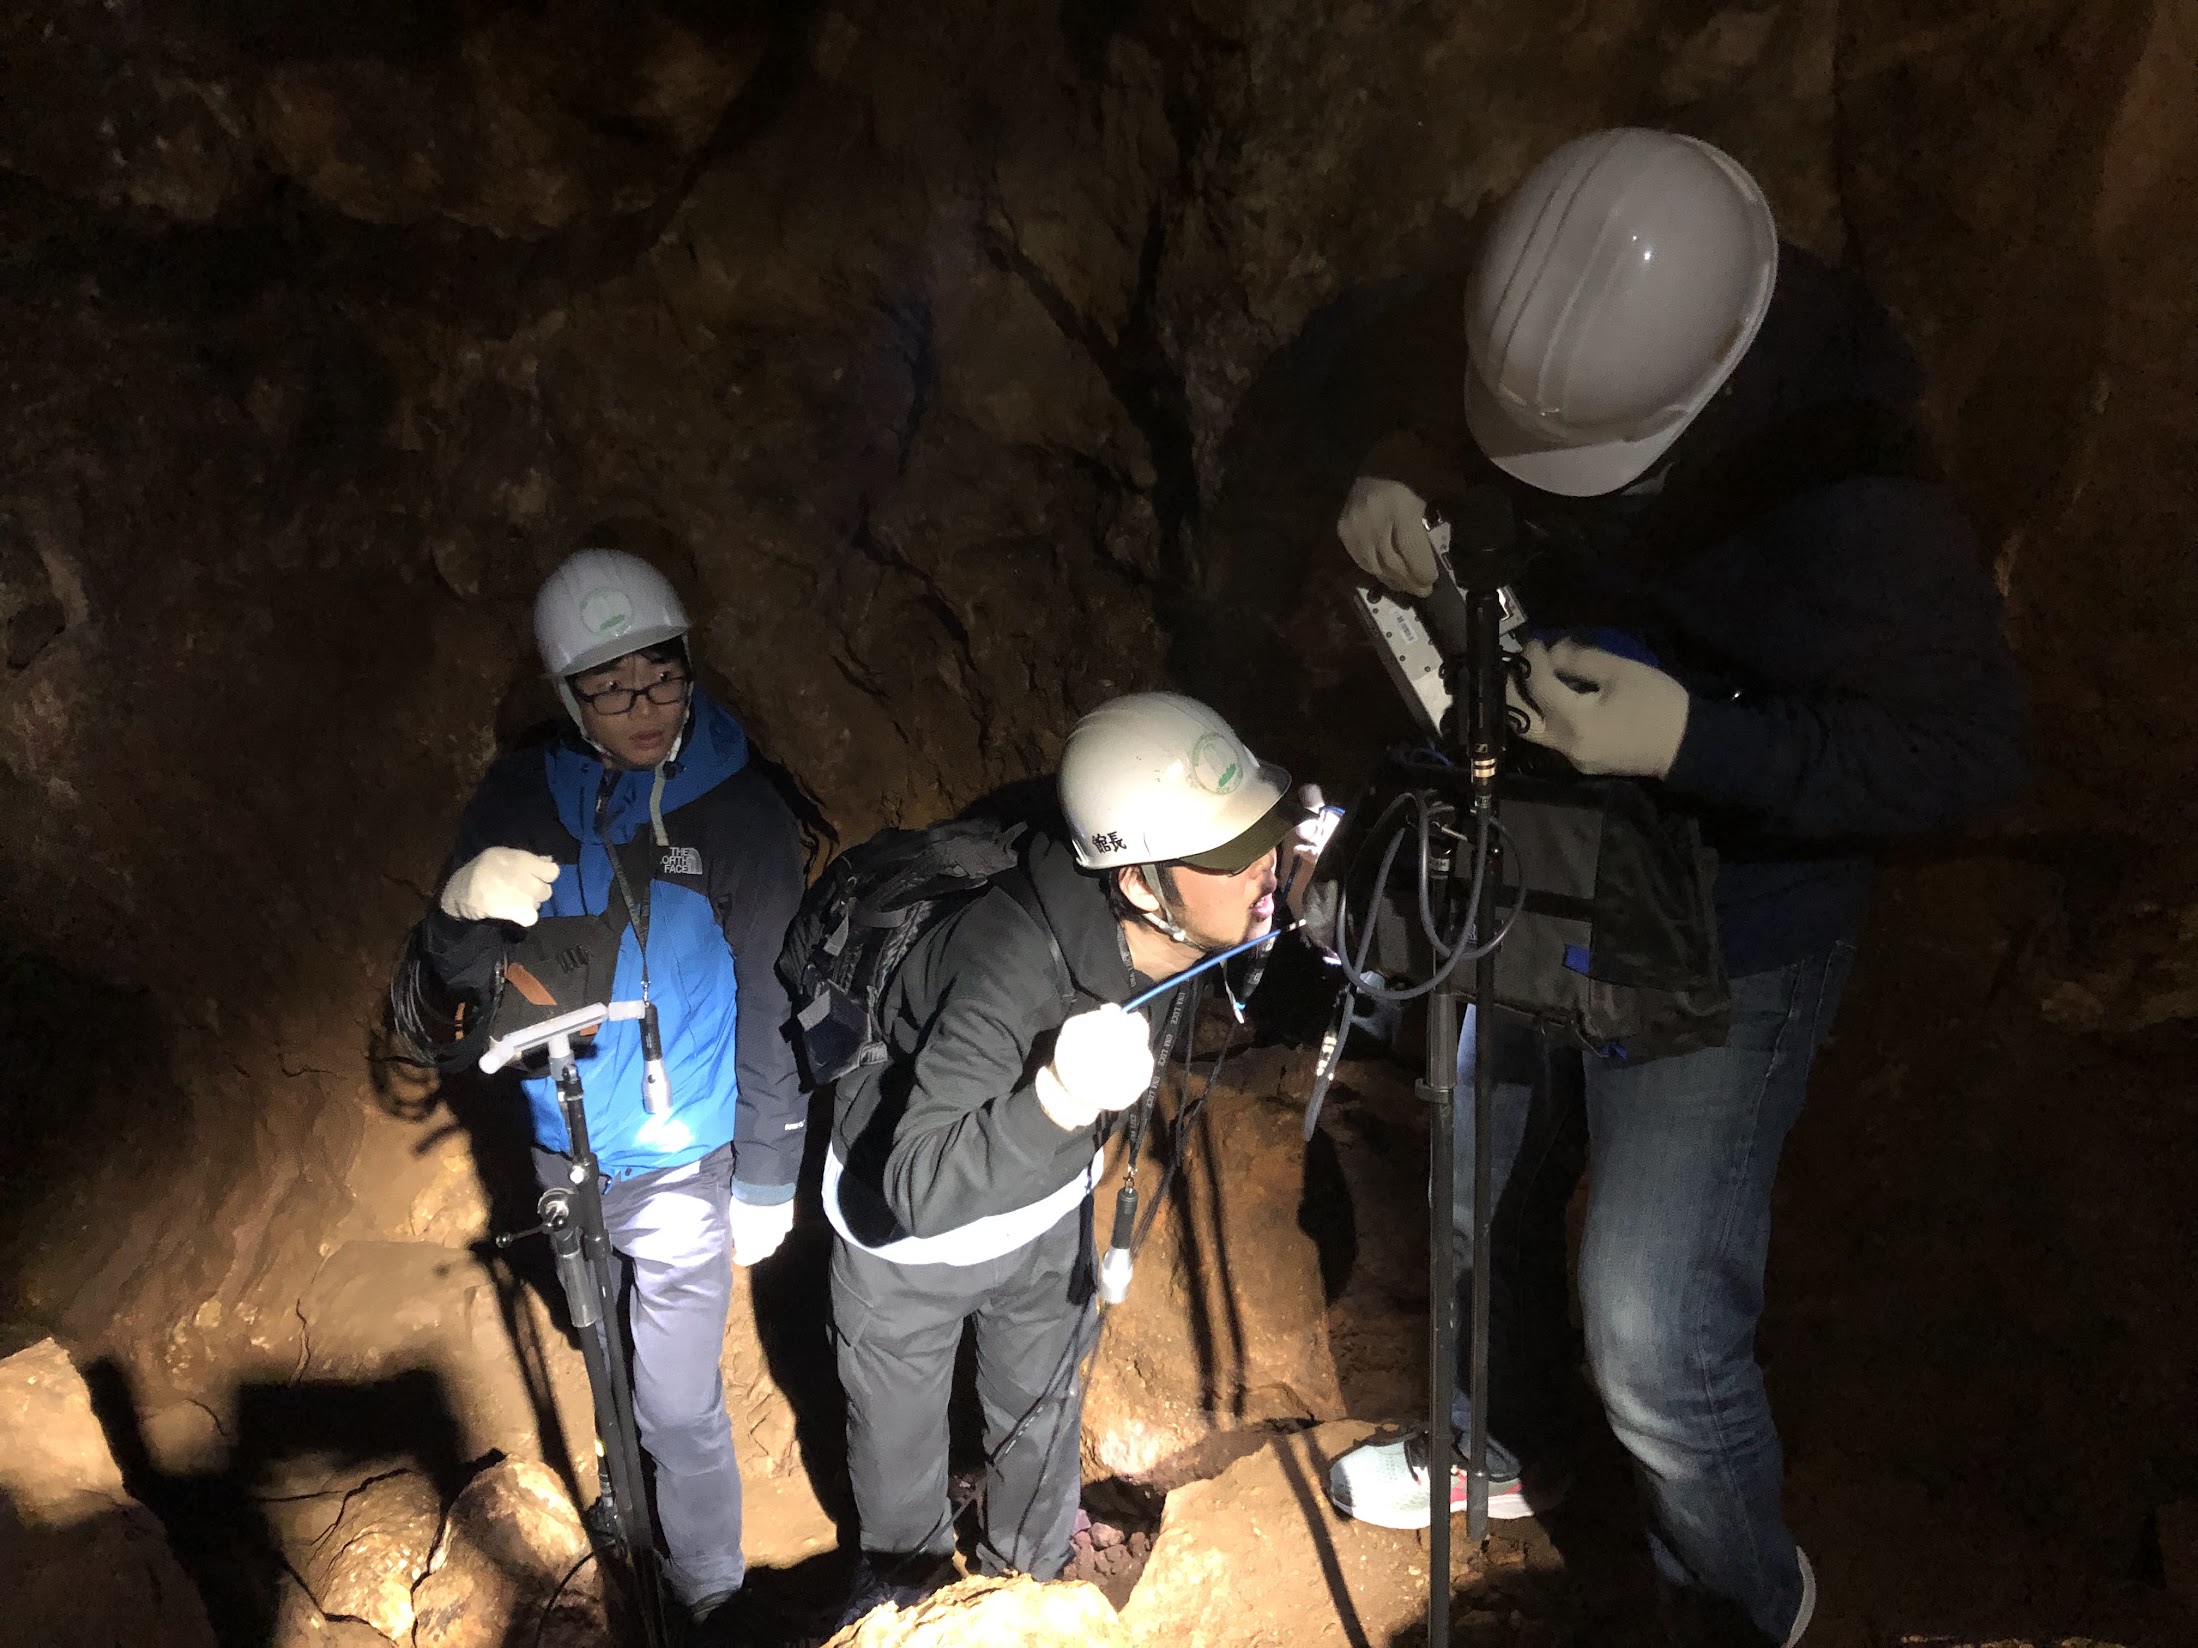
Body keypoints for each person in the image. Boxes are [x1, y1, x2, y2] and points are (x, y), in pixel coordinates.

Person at [1321, 128, 2027, 1645]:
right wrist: (1407, 462)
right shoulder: (1562, 299)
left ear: (1698, 391)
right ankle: (1508, 1446)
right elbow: (1474, 409)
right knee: (1477, 1195)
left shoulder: (1856, 501)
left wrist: (1701, 740)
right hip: (1545, 852)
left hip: (1732, 911)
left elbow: (1961, 757)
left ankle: (1739, 1599)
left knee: (1648, 1320)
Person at [825, 691, 1327, 1614]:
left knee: (1041, 1404)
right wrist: (1057, 1100)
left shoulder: (1179, 922)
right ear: (1138, 882)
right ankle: (908, 1595)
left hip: (1046, 1204)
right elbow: (915, 1186)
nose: (1265, 864)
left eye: (1266, 830)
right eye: (1230, 854)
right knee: (899, 1450)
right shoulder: (1009, 962)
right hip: (910, 1246)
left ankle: (1036, 1566)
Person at [410, 546, 807, 1630]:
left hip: (685, 1153)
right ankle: (626, 1493)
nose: (643, 706)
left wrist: (769, 1167)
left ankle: (709, 1587)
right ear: (565, 694)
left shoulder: (742, 813)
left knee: (678, 1400)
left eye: (662, 674)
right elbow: (447, 985)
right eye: (610, 685)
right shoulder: (519, 795)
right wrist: (458, 909)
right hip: (562, 1142)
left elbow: (775, 996)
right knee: (599, 1340)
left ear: (690, 661)